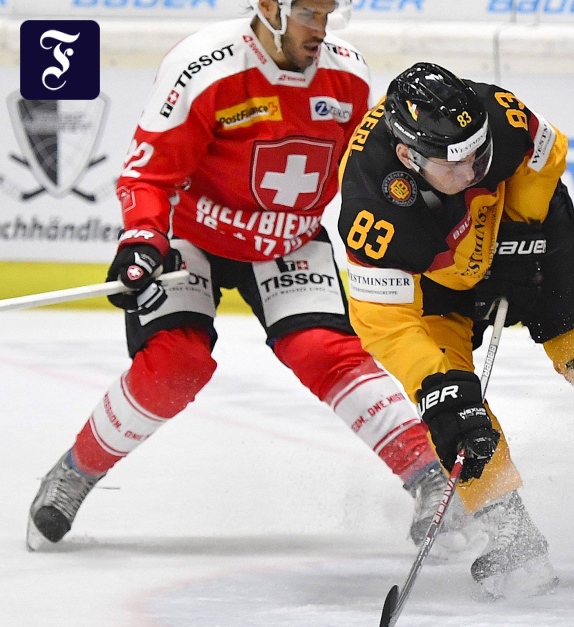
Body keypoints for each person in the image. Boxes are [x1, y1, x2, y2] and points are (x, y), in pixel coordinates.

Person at [25, 0, 479, 556]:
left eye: (328, 13)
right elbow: (147, 172)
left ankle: (430, 476)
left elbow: (376, 174)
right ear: (270, 9)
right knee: (174, 365)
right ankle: (74, 473)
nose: (323, 27)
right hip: (193, 235)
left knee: (325, 350)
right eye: (311, 13)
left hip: (288, 238)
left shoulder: (349, 75)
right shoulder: (205, 67)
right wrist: (143, 238)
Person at [335, 62, 574, 598]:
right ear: (407, 159)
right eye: (455, 163)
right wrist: (433, 384)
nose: (473, 170)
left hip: (527, 232)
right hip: (438, 284)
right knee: (455, 407)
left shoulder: (493, 113)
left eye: (479, 153)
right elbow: (384, 322)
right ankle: (509, 532)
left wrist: (521, 228)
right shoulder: (374, 214)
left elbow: (545, 150)